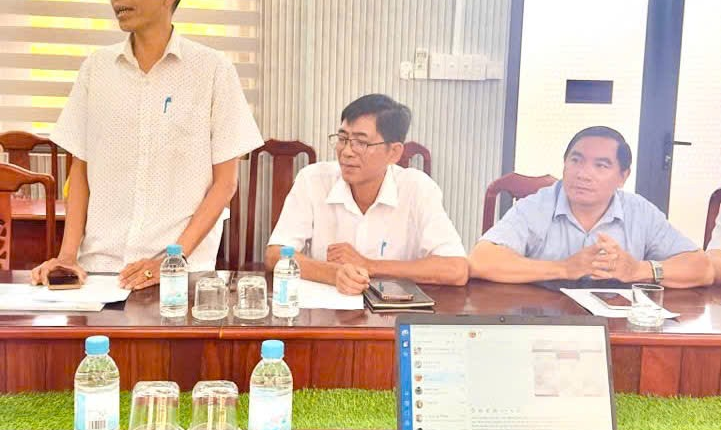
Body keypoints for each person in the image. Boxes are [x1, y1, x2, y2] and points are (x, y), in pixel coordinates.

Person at [30, 0, 263, 290]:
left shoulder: (212, 70)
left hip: (180, 276)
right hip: (101, 271)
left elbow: (225, 183)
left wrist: (171, 260)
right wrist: (67, 256)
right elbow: (80, 171)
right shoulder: (96, 69)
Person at [265, 94, 468, 294]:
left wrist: (369, 265)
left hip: (393, 312)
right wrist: (332, 274)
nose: (346, 152)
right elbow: (275, 255)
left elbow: (456, 269)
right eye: (342, 139)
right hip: (327, 309)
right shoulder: (313, 180)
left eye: (361, 143)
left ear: (394, 152)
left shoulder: (418, 189)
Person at [468, 126, 712, 289]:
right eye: (576, 160)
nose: (583, 174)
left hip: (618, 328)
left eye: (601, 166)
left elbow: (702, 268)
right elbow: (482, 260)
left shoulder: (640, 212)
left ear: (623, 176)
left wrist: (638, 270)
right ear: (564, 165)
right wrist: (564, 268)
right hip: (546, 324)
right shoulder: (536, 206)